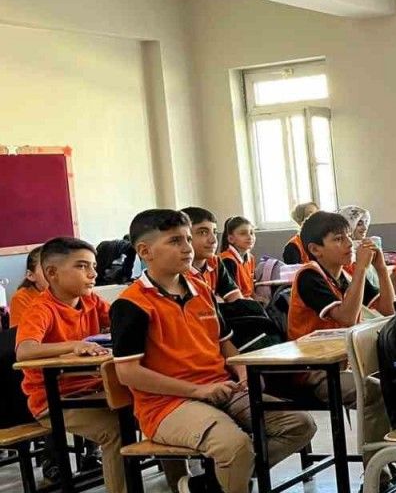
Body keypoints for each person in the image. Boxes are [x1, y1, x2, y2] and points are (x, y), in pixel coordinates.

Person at [111, 209, 316, 493]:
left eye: (187, 239)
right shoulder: (131, 304)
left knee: (299, 425)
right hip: (168, 405)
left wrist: (242, 373)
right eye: (175, 241)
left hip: (221, 390)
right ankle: (227, 477)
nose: (187, 248)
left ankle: (209, 484)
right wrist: (197, 391)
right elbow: (128, 373)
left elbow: (225, 344)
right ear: (145, 251)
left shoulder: (201, 289)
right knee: (234, 446)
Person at [15, 237, 120, 493]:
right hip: (53, 401)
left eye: (93, 266)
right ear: (52, 273)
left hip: (94, 391)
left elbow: (121, 321)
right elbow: (24, 350)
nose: (93, 274)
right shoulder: (41, 308)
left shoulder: (91, 301)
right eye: (82, 266)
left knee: (156, 409)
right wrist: (74, 345)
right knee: (115, 431)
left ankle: (180, 484)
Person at [287, 210, 394, 408]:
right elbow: (347, 318)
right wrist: (361, 268)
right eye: (338, 239)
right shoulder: (309, 276)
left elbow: (388, 311)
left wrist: (381, 269)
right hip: (317, 370)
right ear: (315, 249)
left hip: (346, 361)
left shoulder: (345, 275)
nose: (349, 243)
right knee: (382, 389)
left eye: (348, 236)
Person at [180, 207, 243, 303]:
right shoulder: (177, 270)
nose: (213, 240)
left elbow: (237, 299)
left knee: (252, 307)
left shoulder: (214, 261)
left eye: (214, 232)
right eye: (203, 232)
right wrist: (217, 301)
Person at [218, 216, 256, 299]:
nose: (250, 237)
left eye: (251, 233)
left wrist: (256, 298)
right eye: (243, 233)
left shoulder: (250, 258)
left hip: (246, 299)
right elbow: (231, 295)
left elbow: (250, 288)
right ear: (231, 239)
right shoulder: (227, 260)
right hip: (236, 301)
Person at [10, 245, 47, 326]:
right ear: (30, 275)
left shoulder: (68, 293)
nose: (54, 275)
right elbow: (19, 332)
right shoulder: (21, 299)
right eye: (46, 269)